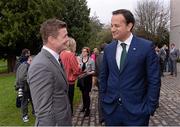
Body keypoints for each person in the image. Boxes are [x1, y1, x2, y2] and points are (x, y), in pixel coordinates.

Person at [100, 9, 161, 126]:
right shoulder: (108, 49)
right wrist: (104, 100)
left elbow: (154, 80)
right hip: (111, 112)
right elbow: (103, 77)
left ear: (129, 26)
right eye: (111, 25)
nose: (112, 29)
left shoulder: (146, 47)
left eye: (116, 26)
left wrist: (149, 107)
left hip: (137, 112)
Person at [27, 18, 72, 126]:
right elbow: (43, 113)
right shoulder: (41, 66)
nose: (68, 39)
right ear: (51, 39)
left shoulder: (53, 59)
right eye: (65, 36)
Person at [60, 37, 82, 115]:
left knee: (63, 100)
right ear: (73, 45)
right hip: (70, 82)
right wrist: (79, 66)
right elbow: (76, 71)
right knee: (69, 100)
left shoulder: (61, 53)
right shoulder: (71, 55)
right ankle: (69, 115)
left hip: (62, 80)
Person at [77, 47, 95, 117]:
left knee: (86, 94)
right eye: (82, 51)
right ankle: (84, 106)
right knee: (82, 94)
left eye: (84, 51)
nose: (83, 53)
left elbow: (94, 70)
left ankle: (88, 109)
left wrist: (88, 73)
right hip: (81, 79)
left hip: (88, 79)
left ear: (87, 52)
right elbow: (78, 68)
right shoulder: (80, 60)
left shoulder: (91, 60)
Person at [16, 56, 34, 122]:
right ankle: (25, 116)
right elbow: (22, 78)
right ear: (29, 60)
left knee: (33, 99)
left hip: (28, 87)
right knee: (24, 102)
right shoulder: (24, 65)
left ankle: (35, 112)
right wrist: (32, 78)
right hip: (24, 87)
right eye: (32, 60)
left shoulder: (27, 65)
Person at [95, 43, 107, 124]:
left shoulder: (97, 57)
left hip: (99, 80)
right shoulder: (107, 57)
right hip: (106, 80)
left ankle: (101, 117)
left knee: (100, 98)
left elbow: (96, 70)